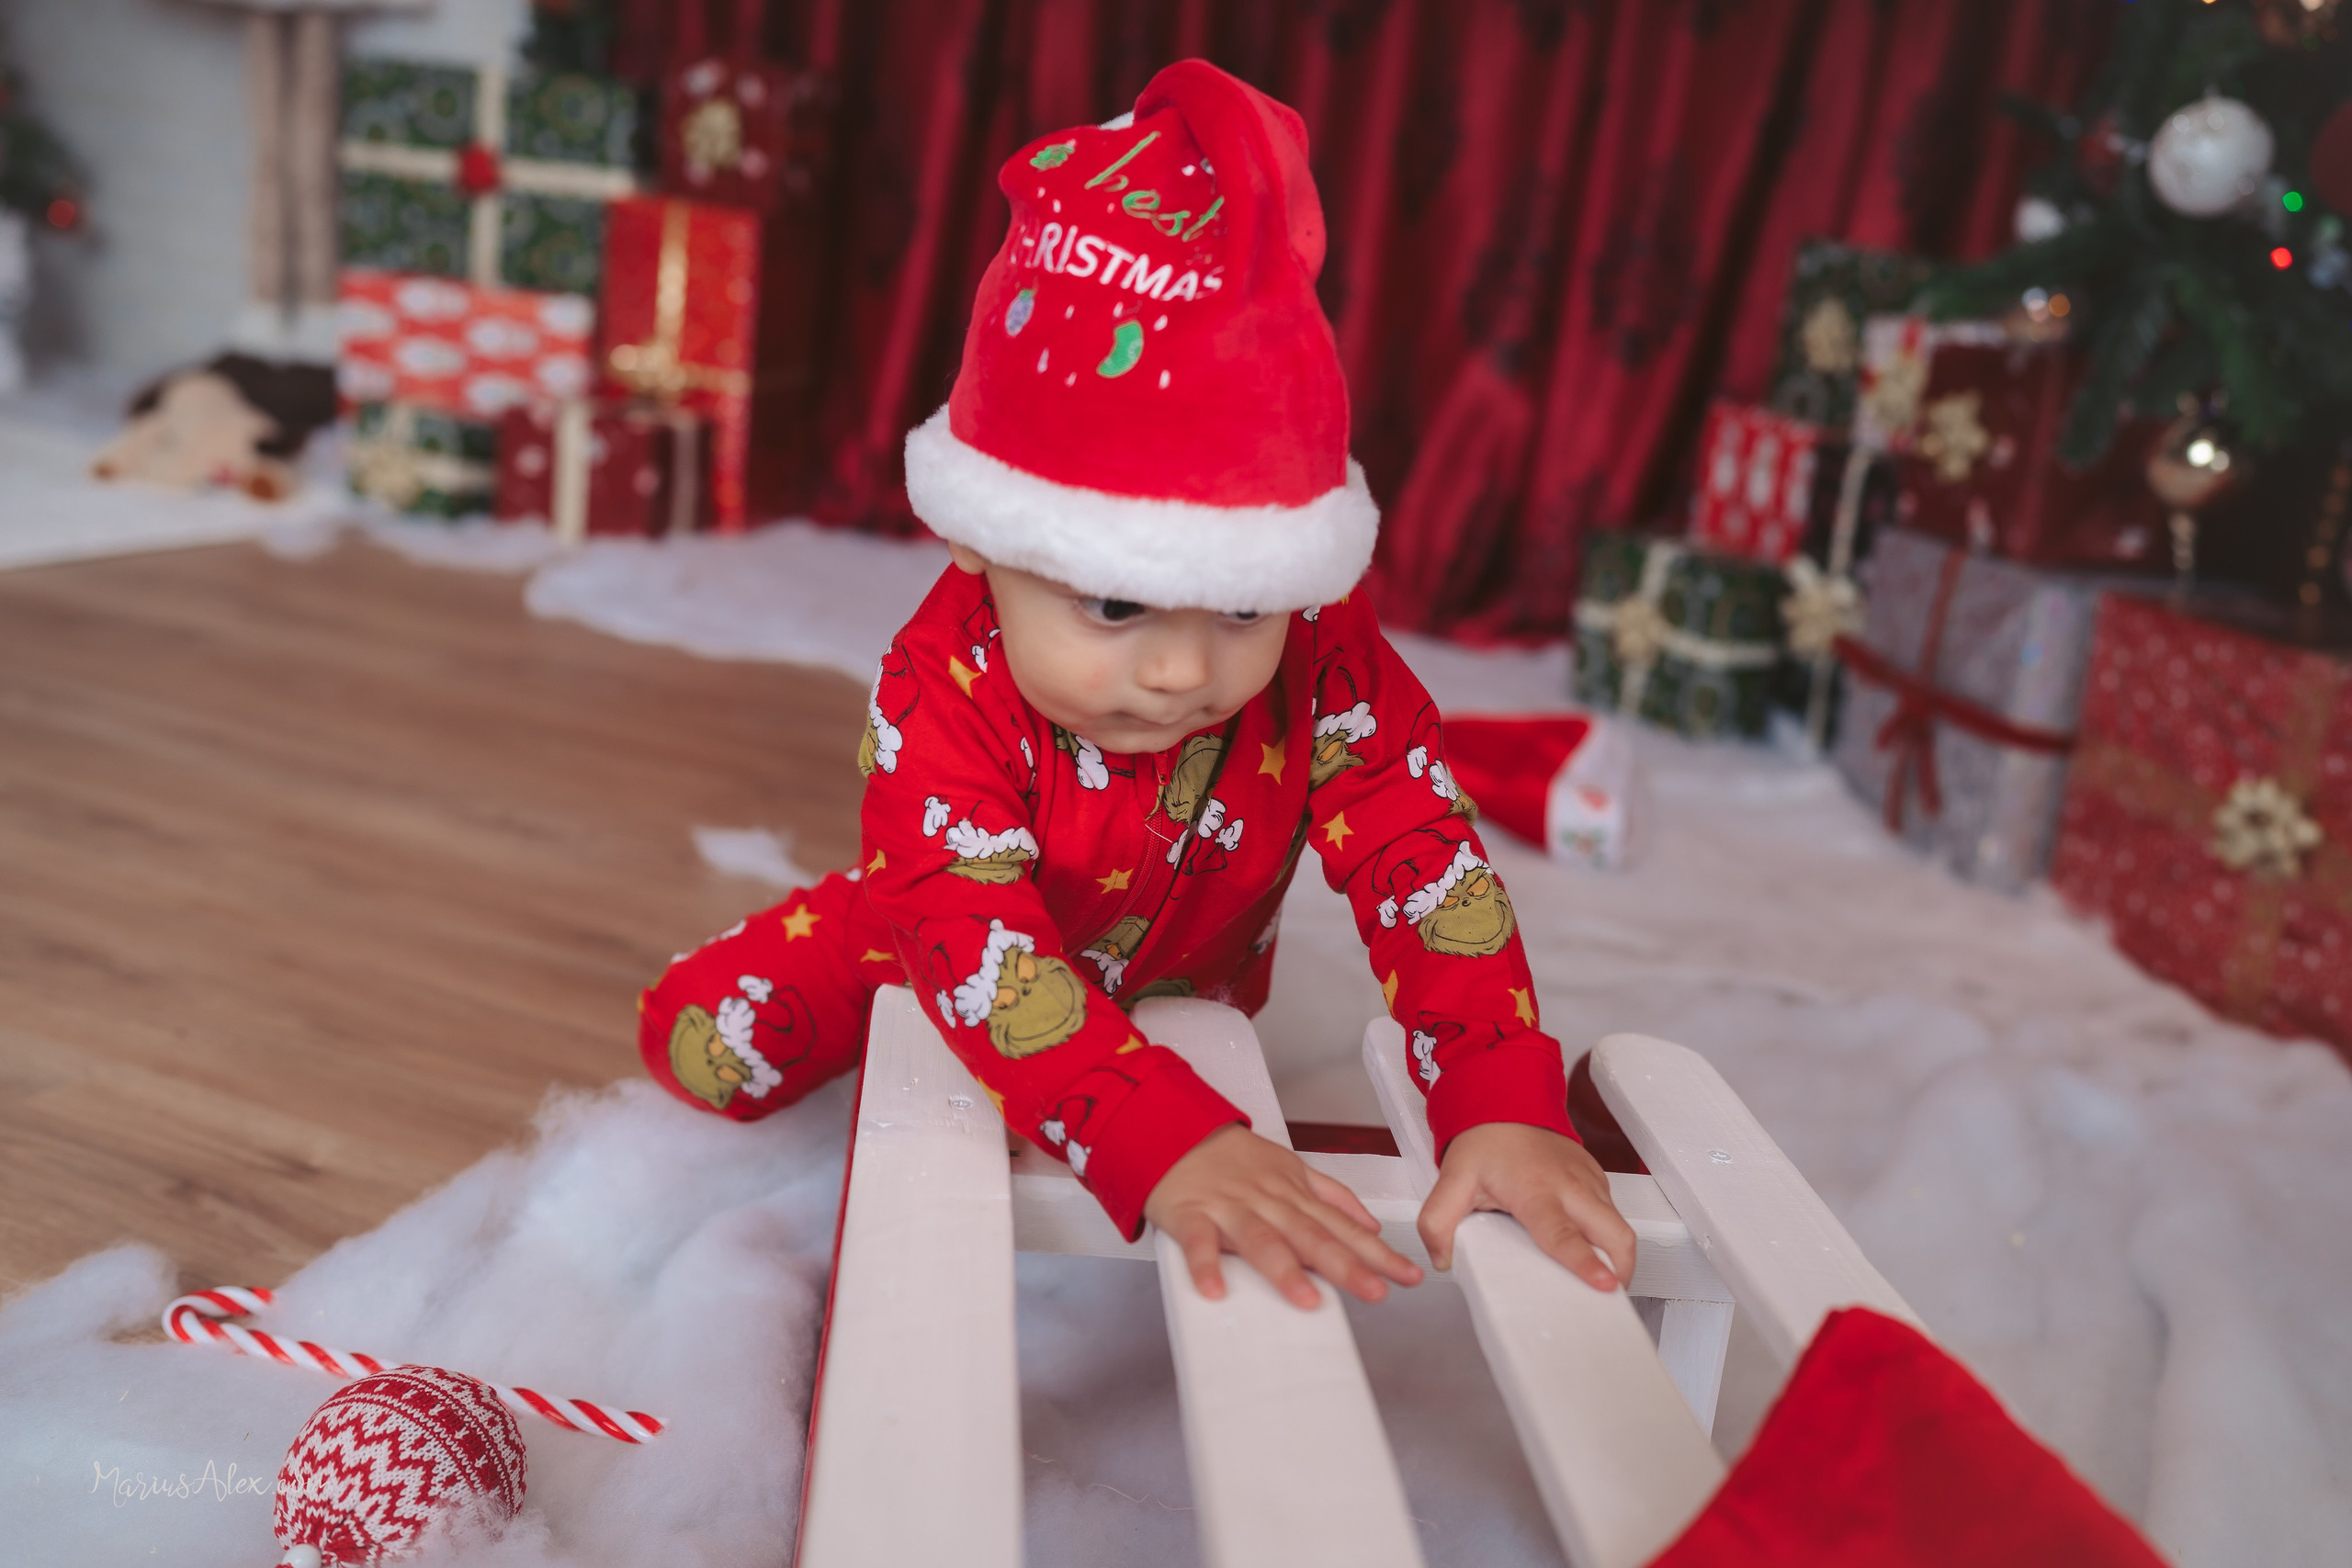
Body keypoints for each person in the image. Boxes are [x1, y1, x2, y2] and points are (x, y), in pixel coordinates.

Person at [639, 58, 1634, 1310]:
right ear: (977, 542)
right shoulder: (939, 681)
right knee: (717, 1037)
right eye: (1113, 606)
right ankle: (746, 1003)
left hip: (1176, 974)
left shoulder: (1324, 650)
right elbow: (978, 946)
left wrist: (1499, 1099)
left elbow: (1423, 853)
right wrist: (1161, 1137)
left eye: (1239, 606)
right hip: (946, 919)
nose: (1179, 672)